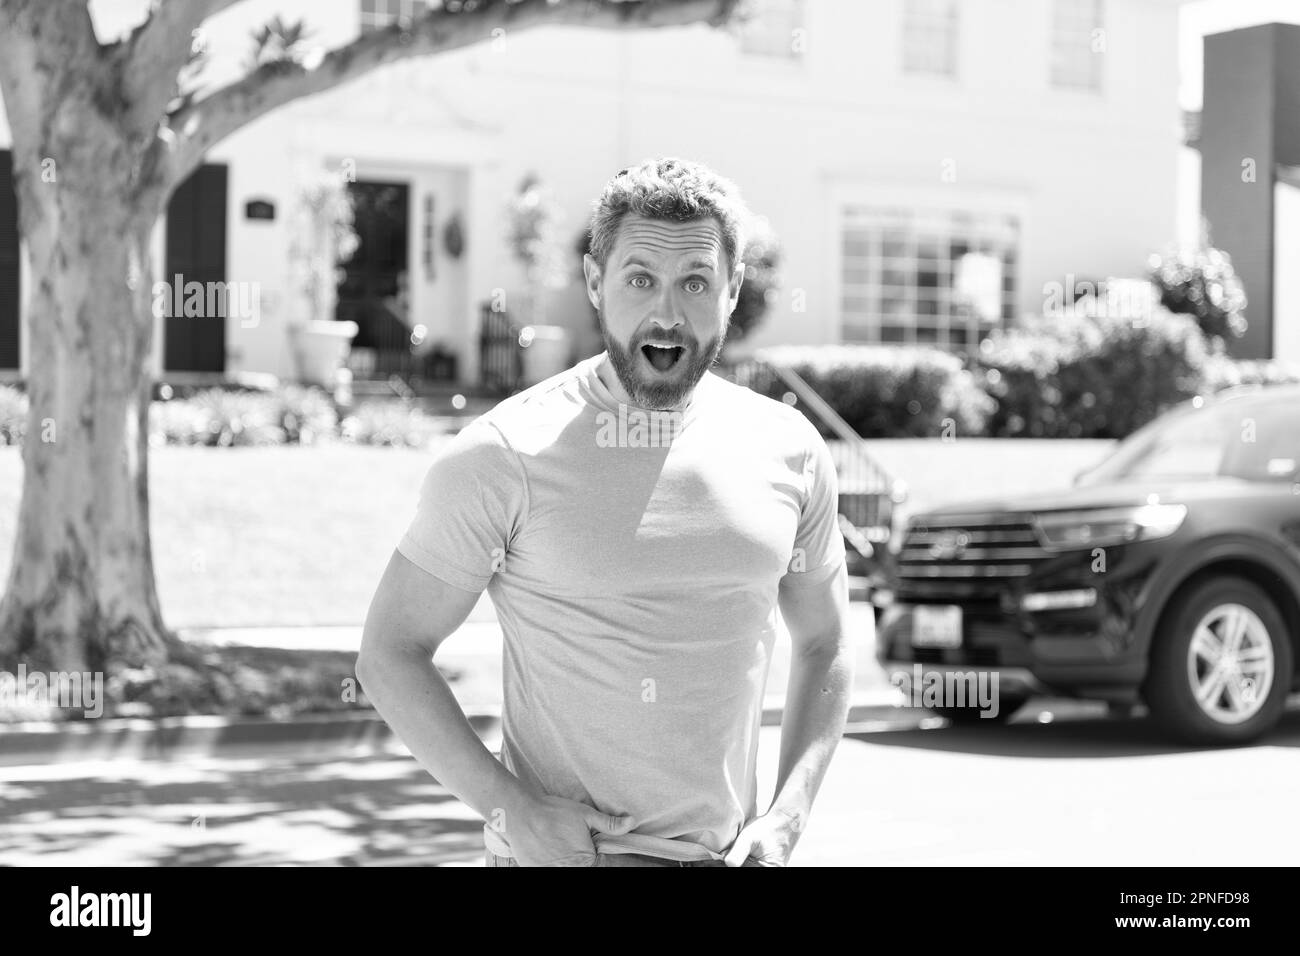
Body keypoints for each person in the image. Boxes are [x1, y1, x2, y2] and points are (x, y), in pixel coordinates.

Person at [356, 157, 855, 867]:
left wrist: (787, 815)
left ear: (733, 288)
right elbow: (389, 654)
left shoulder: (790, 450)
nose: (666, 314)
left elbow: (825, 643)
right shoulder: (505, 454)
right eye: (639, 279)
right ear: (595, 282)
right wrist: (513, 809)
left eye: (695, 283)